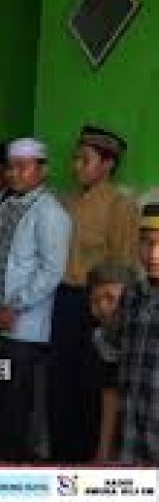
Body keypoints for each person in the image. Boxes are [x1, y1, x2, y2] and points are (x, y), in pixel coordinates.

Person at [49, 125, 140, 463]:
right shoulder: (65, 202)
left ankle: (88, 459)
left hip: (97, 306)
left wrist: (108, 314)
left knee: (91, 384)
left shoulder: (120, 206)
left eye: (84, 159)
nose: (76, 166)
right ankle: (61, 457)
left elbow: (123, 266)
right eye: (76, 158)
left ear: (107, 165)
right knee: (60, 381)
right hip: (62, 300)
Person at [0, 138, 71, 463]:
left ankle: (12, 458)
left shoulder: (50, 213)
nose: (13, 174)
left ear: (42, 170)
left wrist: (15, 306)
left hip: (23, 327)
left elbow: (52, 271)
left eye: (23, 167)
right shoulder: (7, 205)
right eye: (10, 167)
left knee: (17, 395)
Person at [118, 203, 159, 464]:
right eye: (146, 242)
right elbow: (113, 349)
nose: (154, 253)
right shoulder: (132, 295)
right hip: (133, 434)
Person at [86, 263, 137, 462]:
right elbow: (110, 393)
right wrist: (103, 453)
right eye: (95, 300)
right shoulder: (102, 338)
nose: (102, 307)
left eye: (110, 298)